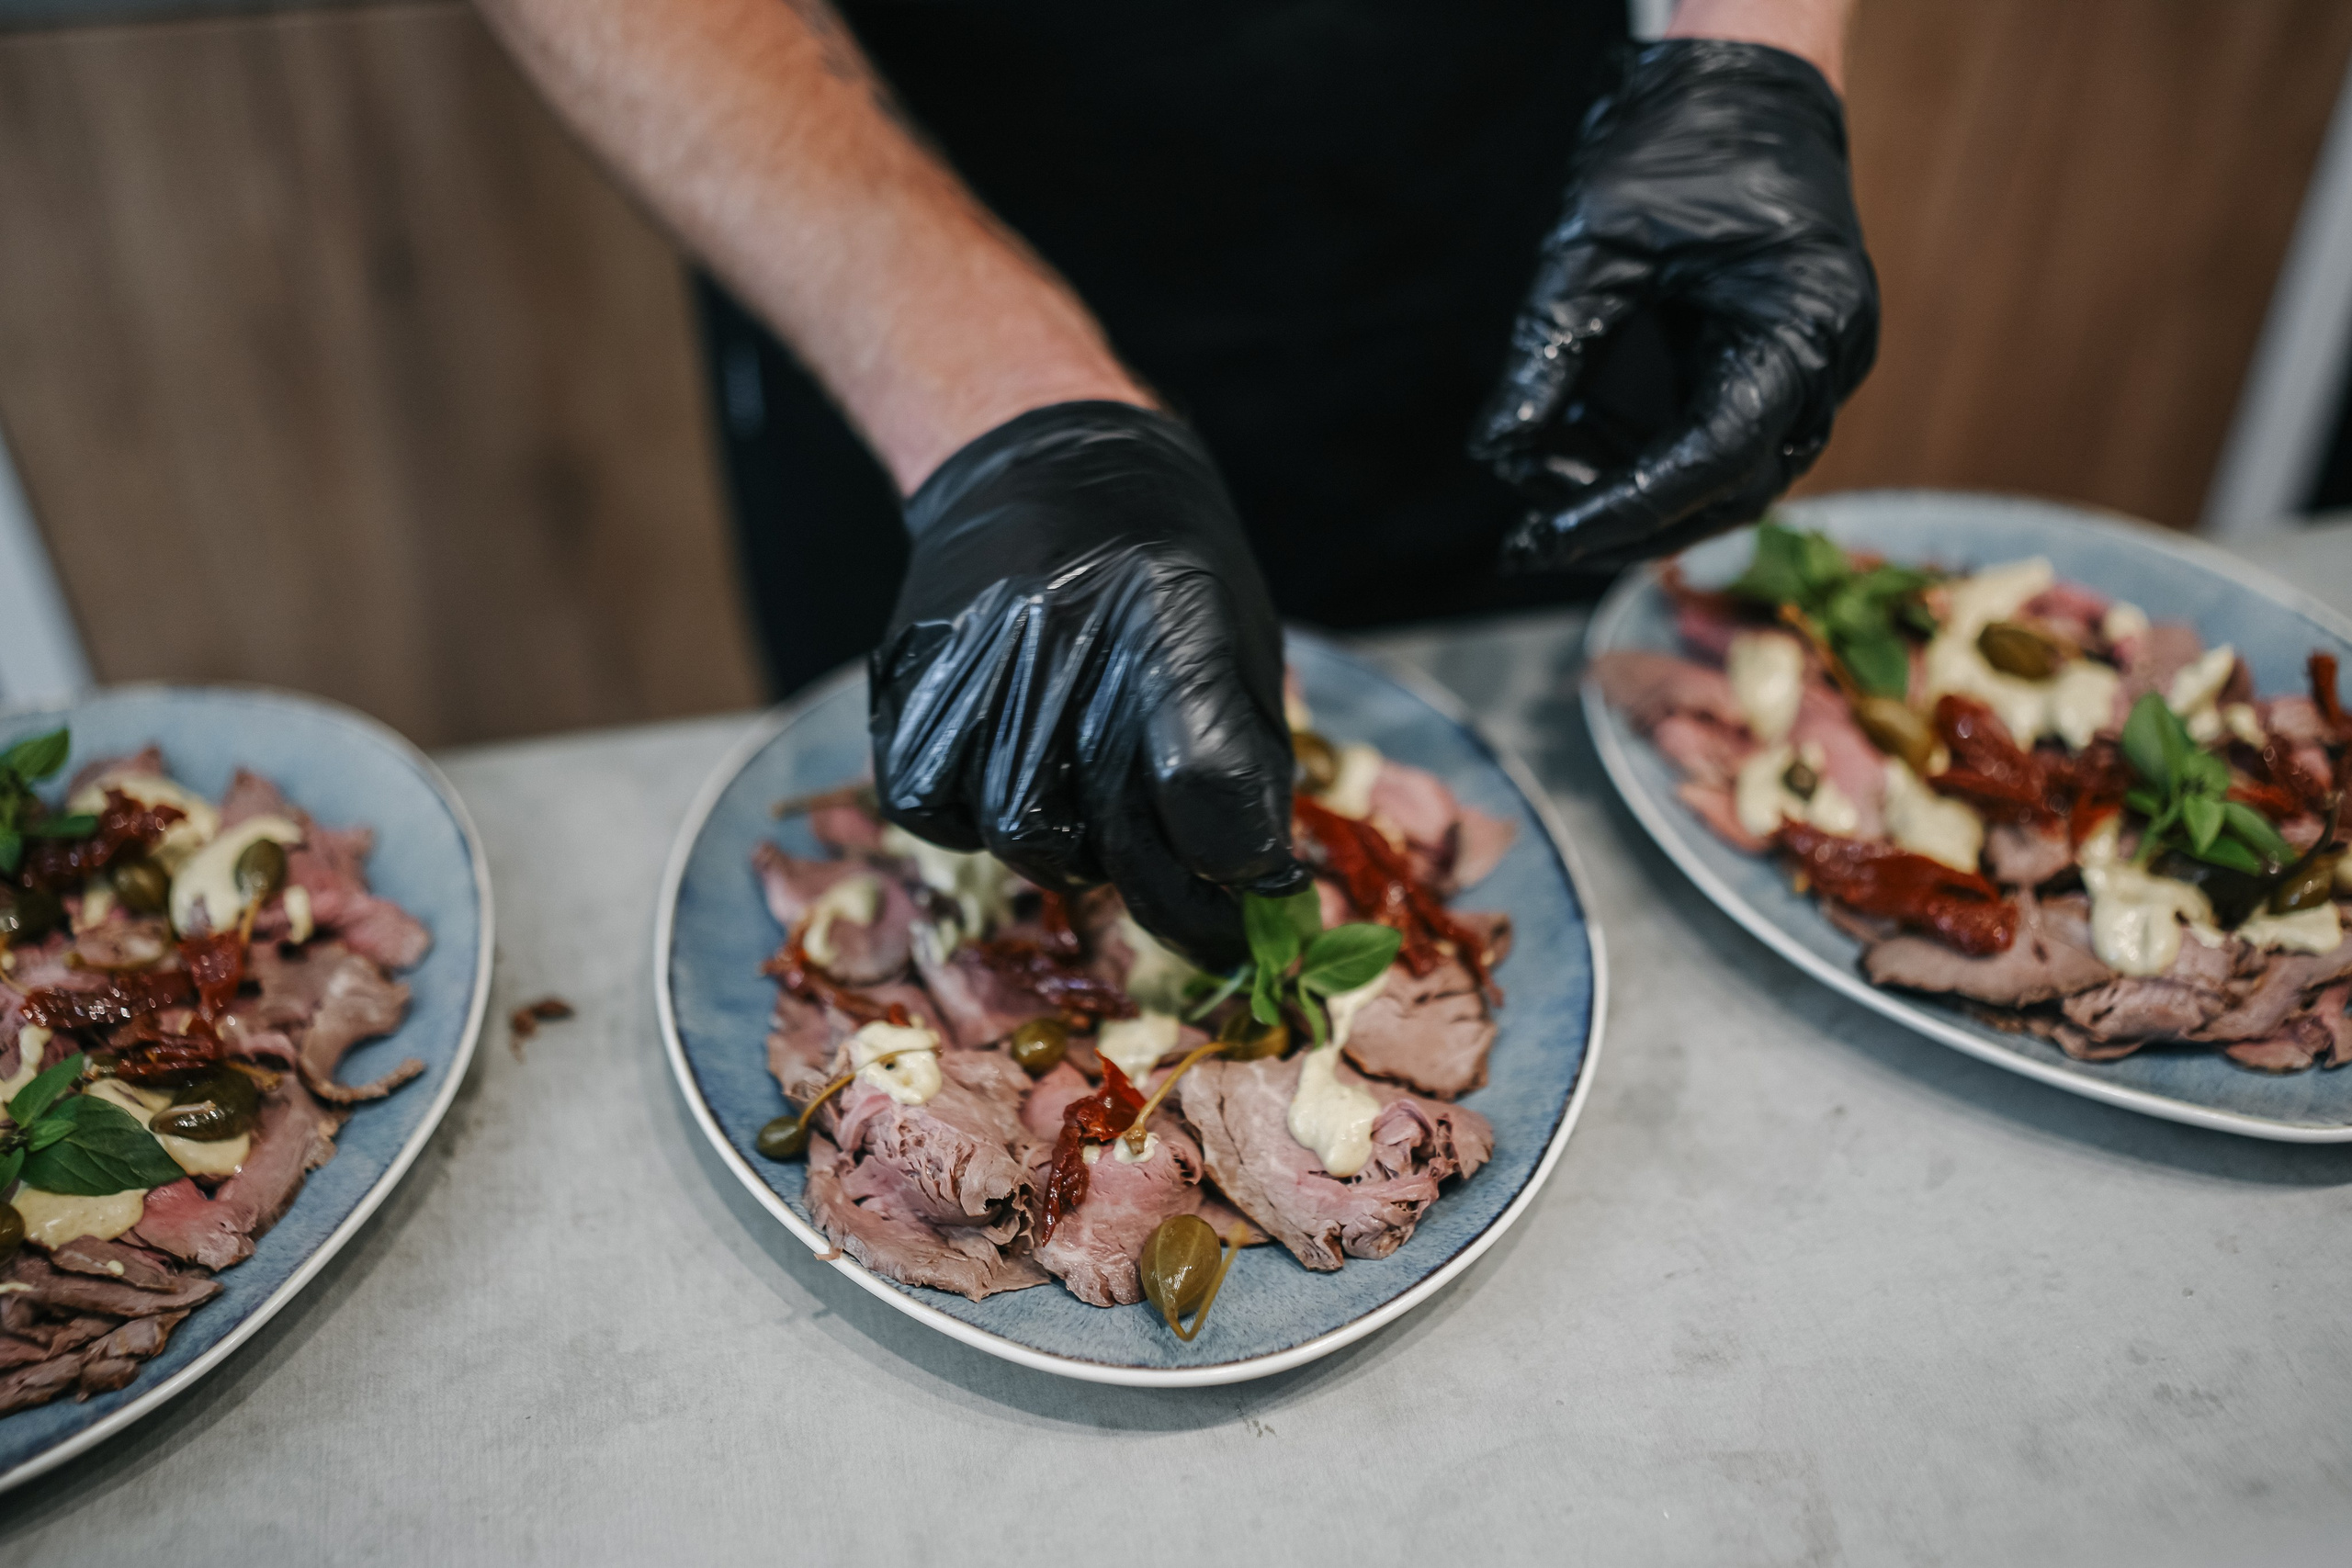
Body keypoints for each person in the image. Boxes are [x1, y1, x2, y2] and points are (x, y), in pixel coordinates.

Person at [478, 0, 1878, 964]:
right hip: (906, 210)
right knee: (995, 834)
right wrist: (996, 405)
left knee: (1491, 821)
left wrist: (1748, 59)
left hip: (1508, 197)